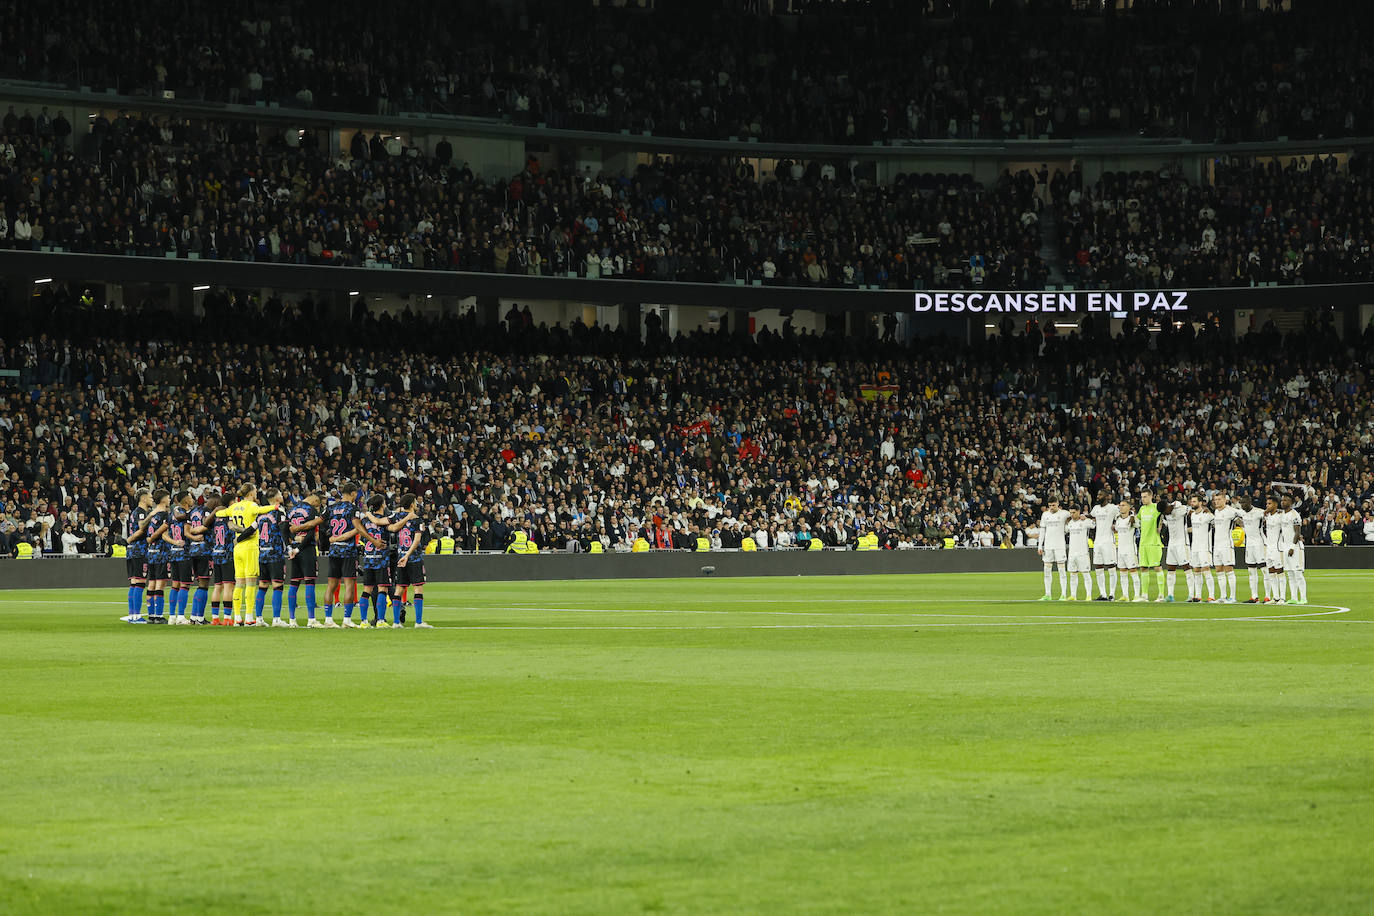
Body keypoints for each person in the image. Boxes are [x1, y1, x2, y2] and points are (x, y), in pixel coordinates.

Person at [216, 484, 275, 625]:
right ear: (250, 493)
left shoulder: (235, 506)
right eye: (255, 491)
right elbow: (262, 510)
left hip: (237, 548)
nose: (256, 493)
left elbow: (219, 514)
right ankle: (248, 617)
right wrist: (275, 507)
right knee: (250, 583)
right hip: (250, 547)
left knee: (239, 583)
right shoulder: (252, 505)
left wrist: (222, 513)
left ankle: (237, 617)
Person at [324, 482, 368, 627]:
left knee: (331, 585)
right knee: (349, 584)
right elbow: (358, 528)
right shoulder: (353, 509)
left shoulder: (331, 508)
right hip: (348, 550)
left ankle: (328, 619)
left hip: (334, 550)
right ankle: (346, 620)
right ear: (354, 493)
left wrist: (333, 539)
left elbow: (321, 524)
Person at [251, 489, 290, 627]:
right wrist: (289, 547)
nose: (282, 495)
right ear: (276, 498)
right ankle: (276, 619)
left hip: (262, 554)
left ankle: (259, 619)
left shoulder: (261, 513)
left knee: (262, 586)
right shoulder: (280, 511)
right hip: (275, 553)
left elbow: (251, 529)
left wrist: (240, 539)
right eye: (280, 494)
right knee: (277, 586)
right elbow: (284, 529)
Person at [288, 490, 326, 627]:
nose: (318, 507)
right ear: (315, 501)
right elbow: (311, 533)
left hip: (294, 548)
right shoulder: (311, 510)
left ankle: (292, 620)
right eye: (318, 505)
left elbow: (286, 529)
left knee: (294, 583)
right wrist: (300, 548)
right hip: (306, 549)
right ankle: (311, 619)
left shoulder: (292, 509)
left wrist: (293, 542)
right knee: (309, 582)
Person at [394, 493, 432, 628]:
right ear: (411, 504)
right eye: (415, 502)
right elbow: (416, 540)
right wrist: (408, 555)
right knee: (418, 588)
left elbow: (386, 525)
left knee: (399, 589)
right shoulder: (417, 519)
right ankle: (418, 622)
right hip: (413, 558)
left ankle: (396, 622)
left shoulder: (396, 517)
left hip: (400, 557)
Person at [357, 495, 393, 627]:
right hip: (381, 558)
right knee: (382, 589)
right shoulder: (384, 520)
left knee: (367, 589)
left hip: (368, 558)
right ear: (382, 504)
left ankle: (363, 621)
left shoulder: (365, 520)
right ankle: (381, 620)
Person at [121, 488, 155, 623]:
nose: (152, 500)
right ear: (144, 498)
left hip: (132, 551)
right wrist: (153, 515)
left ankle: (132, 615)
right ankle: (136, 616)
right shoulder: (141, 513)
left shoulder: (134, 513)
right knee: (140, 583)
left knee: (134, 584)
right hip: (139, 551)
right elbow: (141, 528)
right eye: (150, 497)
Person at [186, 491, 218, 624]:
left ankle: (194, 617)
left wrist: (192, 532)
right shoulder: (206, 511)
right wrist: (197, 531)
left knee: (200, 584)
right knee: (204, 584)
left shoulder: (193, 511)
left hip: (193, 549)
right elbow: (205, 524)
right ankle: (199, 617)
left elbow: (187, 528)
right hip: (204, 550)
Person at [164, 492, 194, 625]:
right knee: (184, 585)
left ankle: (172, 616)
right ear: (186, 500)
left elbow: (164, 534)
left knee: (175, 585)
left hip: (174, 552)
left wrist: (173, 542)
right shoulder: (185, 514)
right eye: (191, 497)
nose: (193, 499)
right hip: (184, 553)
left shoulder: (171, 515)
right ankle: (181, 616)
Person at [143, 490, 172, 624]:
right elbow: (163, 531)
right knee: (160, 583)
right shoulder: (164, 514)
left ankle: (151, 615)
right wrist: (152, 538)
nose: (170, 499)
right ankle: (159, 615)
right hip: (161, 551)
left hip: (151, 552)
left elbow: (143, 526)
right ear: (163, 499)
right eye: (168, 497)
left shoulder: (152, 515)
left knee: (152, 583)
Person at [208, 492, 237, 624]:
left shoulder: (217, 516)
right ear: (231, 502)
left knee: (217, 586)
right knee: (228, 586)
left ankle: (215, 618)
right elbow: (232, 530)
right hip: (227, 554)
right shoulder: (229, 515)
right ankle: (227, 618)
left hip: (216, 552)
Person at [1036, 496, 1069, 601]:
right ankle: (1048, 594)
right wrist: (1040, 545)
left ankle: (1063, 594)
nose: (1051, 507)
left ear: (1058, 504)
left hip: (1060, 546)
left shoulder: (1064, 513)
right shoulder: (1045, 514)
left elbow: (1074, 517)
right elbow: (1042, 531)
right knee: (1047, 570)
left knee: (1062, 571)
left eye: (1053, 505)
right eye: (1049, 505)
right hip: (1048, 546)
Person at [1278, 494, 1308, 605]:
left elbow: (1297, 532)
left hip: (1295, 547)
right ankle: (1294, 597)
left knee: (1298, 573)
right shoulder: (1281, 514)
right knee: (1290, 573)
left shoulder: (1295, 515)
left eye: (1285, 500)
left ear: (1291, 502)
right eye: (1282, 500)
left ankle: (1303, 598)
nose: (1283, 502)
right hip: (1285, 547)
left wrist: (1292, 546)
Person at [1090, 490, 1119, 601]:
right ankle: (1103, 594)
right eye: (1098, 494)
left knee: (1111, 567)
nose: (1098, 496)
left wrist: (1116, 525)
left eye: (1100, 494)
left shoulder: (1112, 508)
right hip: (1097, 542)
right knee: (1098, 568)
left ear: (1107, 496)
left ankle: (1112, 594)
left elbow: (1121, 515)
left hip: (1108, 541)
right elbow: (1091, 516)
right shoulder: (1096, 508)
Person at [1238, 494, 1267, 603]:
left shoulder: (1259, 512)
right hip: (1249, 545)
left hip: (1260, 543)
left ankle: (1268, 596)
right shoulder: (1241, 513)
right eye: (1241, 503)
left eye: (1244, 503)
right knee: (1251, 570)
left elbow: (1270, 515)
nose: (1242, 505)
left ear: (1250, 502)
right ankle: (1254, 596)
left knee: (1264, 570)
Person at [1113, 498, 1143, 602]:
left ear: (1129, 507)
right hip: (1120, 549)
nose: (1121, 507)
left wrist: (1133, 518)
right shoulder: (1118, 519)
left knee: (1133, 572)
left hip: (1130, 550)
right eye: (1120, 505)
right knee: (1122, 573)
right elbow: (1116, 529)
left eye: (1123, 505)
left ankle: (1137, 596)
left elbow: (1139, 525)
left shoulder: (1133, 518)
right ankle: (1125, 595)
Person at [1161, 497, 1189, 603]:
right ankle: (1170, 595)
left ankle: (1191, 595)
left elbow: (1186, 508)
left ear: (1169, 507)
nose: (1165, 514)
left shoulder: (1180, 510)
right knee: (1170, 568)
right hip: (1172, 544)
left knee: (1186, 567)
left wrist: (1176, 505)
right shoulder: (1166, 513)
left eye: (1165, 511)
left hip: (1182, 542)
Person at [1187, 493, 1215, 603]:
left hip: (1204, 547)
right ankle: (1198, 596)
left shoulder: (1207, 514)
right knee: (1196, 571)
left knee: (1206, 570)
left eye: (1194, 501)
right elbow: (1194, 529)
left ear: (1200, 502)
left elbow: (1216, 523)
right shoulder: (1193, 515)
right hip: (1195, 547)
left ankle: (1211, 596)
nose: (1192, 503)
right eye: (1191, 501)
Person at [1136, 490, 1163, 601]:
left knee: (1157, 567)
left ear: (1151, 496)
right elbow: (1137, 520)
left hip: (1153, 542)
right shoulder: (1142, 509)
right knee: (1143, 568)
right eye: (1142, 497)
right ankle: (1144, 595)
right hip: (1143, 543)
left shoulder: (1156, 507)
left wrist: (1160, 525)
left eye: (1145, 497)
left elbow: (1163, 514)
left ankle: (1161, 595)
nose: (1143, 499)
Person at [1065, 504, 1094, 601]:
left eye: (1073, 512)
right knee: (1073, 574)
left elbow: (1095, 523)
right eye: (1070, 513)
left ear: (1078, 512)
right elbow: (1065, 530)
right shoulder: (1070, 523)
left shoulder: (1085, 521)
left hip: (1083, 552)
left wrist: (1087, 516)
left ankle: (1089, 596)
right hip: (1072, 552)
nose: (1072, 514)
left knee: (1086, 574)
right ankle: (1073, 595)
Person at [1262, 495, 1286, 604]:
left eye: (1269, 503)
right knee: (1271, 572)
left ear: (1275, 504)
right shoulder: (1267, 516)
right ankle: (1275, 597)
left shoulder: (1281, 515)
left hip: (1278, 547)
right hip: (1269, 547)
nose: (1267, 505)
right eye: (1266, 503)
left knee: (1280, 572)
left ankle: (1282, 597)